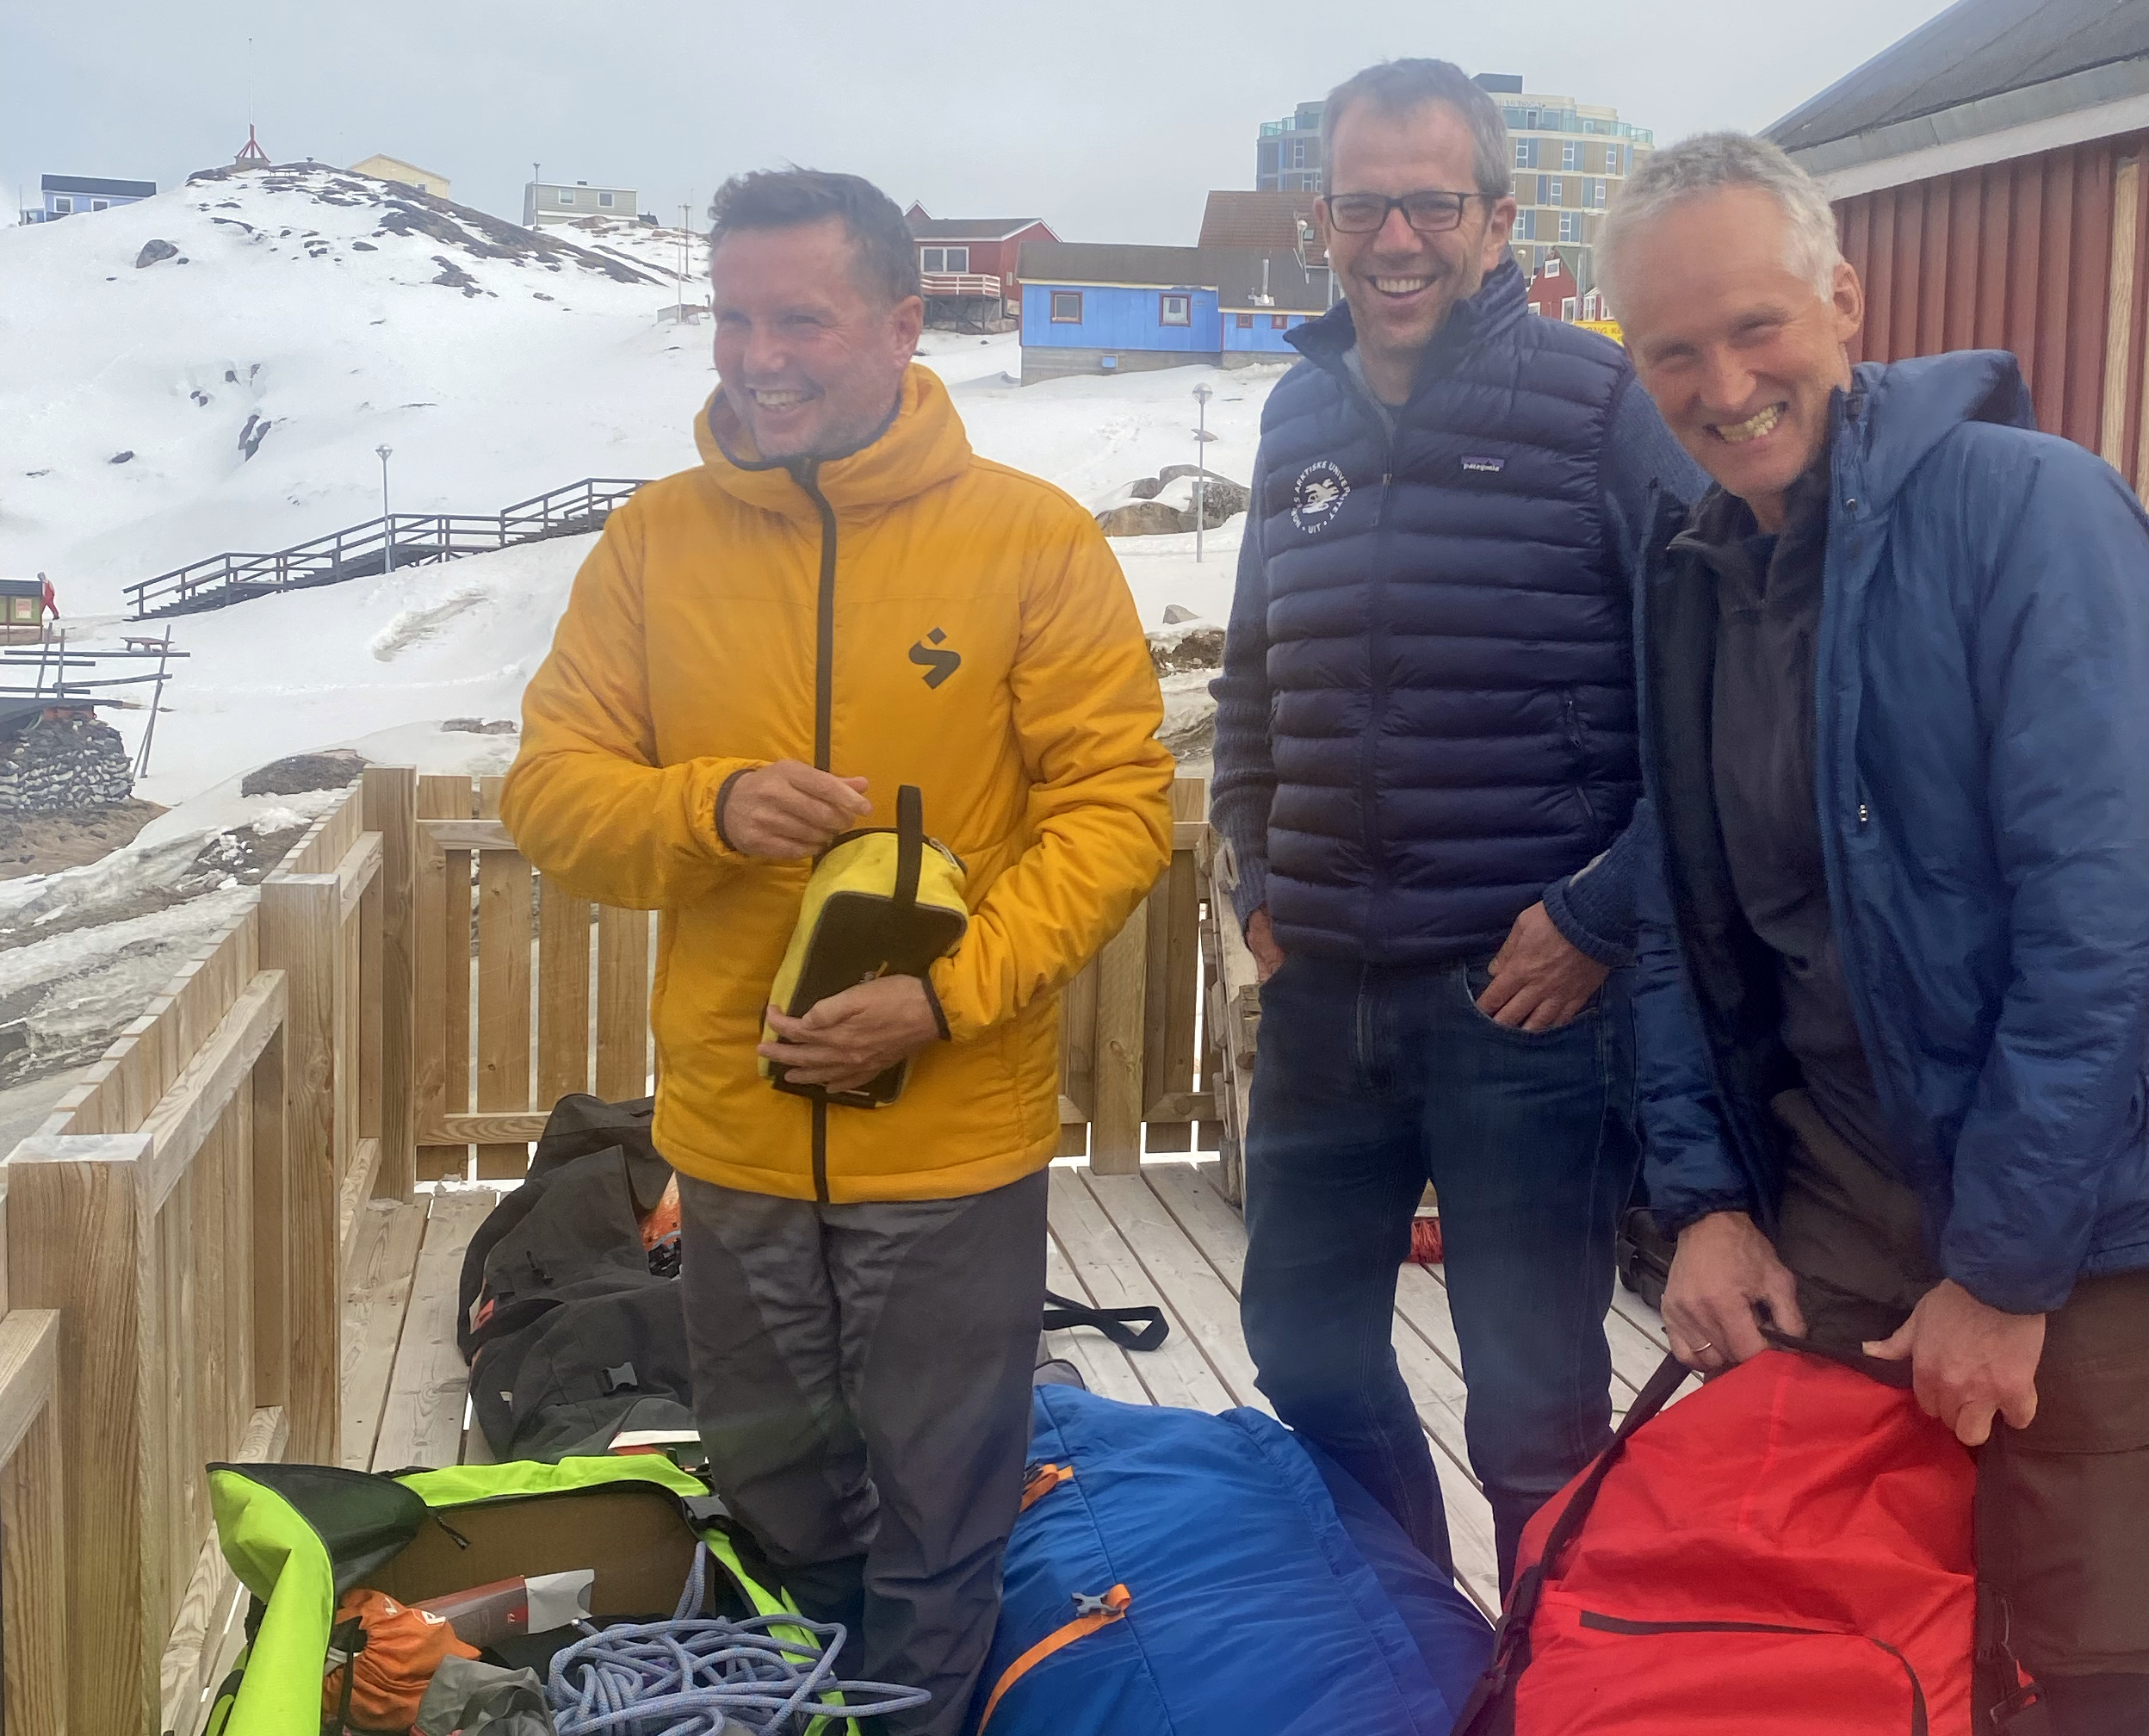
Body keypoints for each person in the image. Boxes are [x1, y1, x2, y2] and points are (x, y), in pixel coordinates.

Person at [1599, 133, 2149, 1734]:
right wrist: (1704, 1203)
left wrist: (2002, 1269)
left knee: (2088, 1691)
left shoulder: (2032, 512)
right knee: (1846, 1674)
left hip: (2090, 1232)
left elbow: (2105, 916)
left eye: (1758, 325)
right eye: (1674, 351)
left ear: (1844, 298)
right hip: (1838, 1220)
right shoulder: (1693, 570)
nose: (1724, 384)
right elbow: (1679, 912)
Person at [500, 169, 1173, 1732]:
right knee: (778, 1483)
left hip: (949, 1144)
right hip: (734, 1141)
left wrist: (942, 996)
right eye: (734, 316)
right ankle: (803, 1702)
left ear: (899, 322)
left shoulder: (1030, 540)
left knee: (944, 1516)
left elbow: (1120, 807)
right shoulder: (652, 548)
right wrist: (709, 805)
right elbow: (549, 797)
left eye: (799, 317)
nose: (758, 354)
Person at [1211, 58, 1705, 1593]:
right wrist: (1252, 864)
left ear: (1499, 221)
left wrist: (1600, 915)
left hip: (1523, 1002)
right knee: (1299, 1350)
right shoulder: (1299, 409)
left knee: (1533, 1404)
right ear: (1328, 221)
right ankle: (1423, 1637)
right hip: (1326, 997)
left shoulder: (1602, 403)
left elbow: (1716, 699)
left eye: (1432, 203)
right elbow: (1251, 671)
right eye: (1364, 206)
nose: (1395, 238)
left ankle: (1546, 1681)